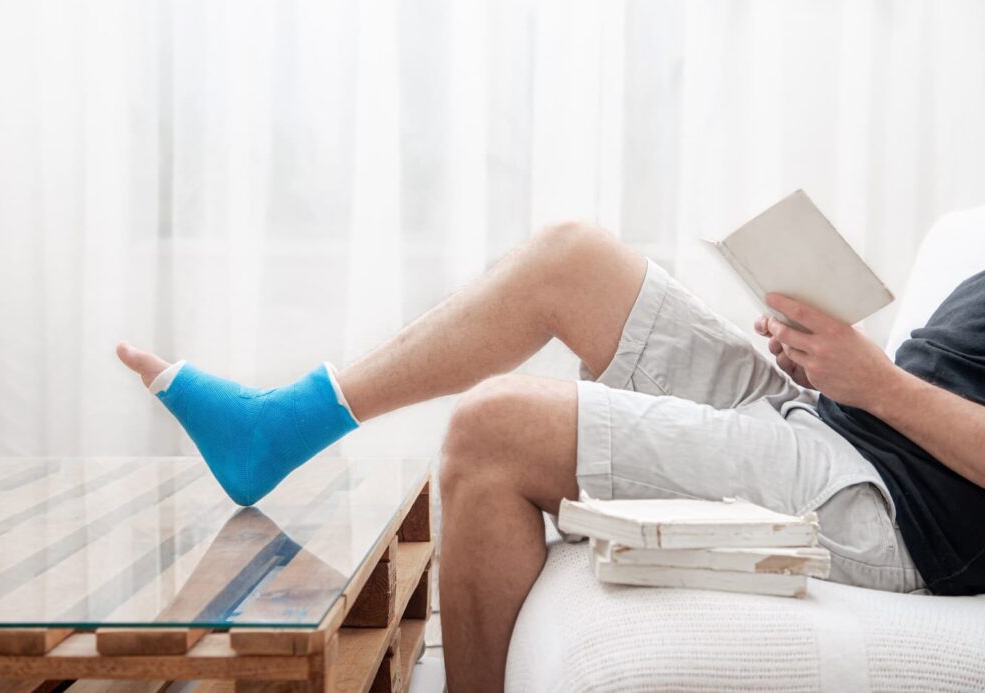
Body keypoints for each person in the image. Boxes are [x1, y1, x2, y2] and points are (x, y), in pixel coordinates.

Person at [117, 222, 985, 692]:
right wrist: (831, 359)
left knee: (494, 428)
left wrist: (873, 383)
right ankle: (283, 423)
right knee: (570, 261)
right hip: (843, 422)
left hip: (893, 508)